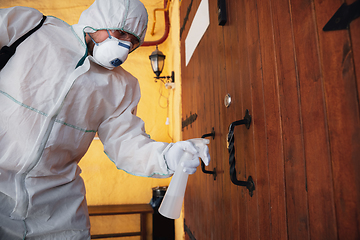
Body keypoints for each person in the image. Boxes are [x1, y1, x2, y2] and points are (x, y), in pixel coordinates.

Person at [0, 0, 210, 239]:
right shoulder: (32, 28)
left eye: (132, 42)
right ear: (98, 20)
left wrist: (166, 157)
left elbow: (126, 144)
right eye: (121, 33)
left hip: (57, 210)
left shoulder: (122, 86)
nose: (125, 46)